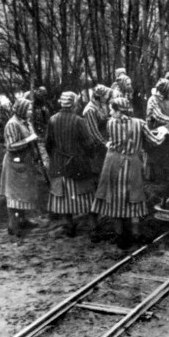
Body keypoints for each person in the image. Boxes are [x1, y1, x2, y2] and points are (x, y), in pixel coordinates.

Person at [91, 97, 167, 249]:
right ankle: (136, 234)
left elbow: (119, 137)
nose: (110, 113)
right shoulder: (139, 123)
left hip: (114, 164)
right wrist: (162, 132)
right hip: (132, 165)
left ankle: (119, 235)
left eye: (113, 110)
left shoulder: (111, 123)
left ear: (119, 111)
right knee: (134, 199)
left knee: (116, 199)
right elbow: (155, 141)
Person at [45, 92, 98, 237]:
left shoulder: (52, 120)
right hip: (78, 165)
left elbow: (48, 144)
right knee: (87, 196)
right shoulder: (78, 120)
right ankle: (93, 229)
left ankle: (69, 227)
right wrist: (91, 155)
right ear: (74, 104)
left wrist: (55, 158)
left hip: (59, 165)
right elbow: (88, 143)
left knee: (62, 197)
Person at [0, 98, 41, 237]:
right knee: (14, 196)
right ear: (22, 110)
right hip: (14, 164)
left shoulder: (26, 122)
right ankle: (13, 226)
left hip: (24, 162)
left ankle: (23, 221)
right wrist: (29, 139)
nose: (31, 112)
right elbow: (10, 146)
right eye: (28, 109)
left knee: (23, 195)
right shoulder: (12, 124)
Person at [82, 84, 112, 174]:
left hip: (103, 140)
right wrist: (104, 143)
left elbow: (104, 118)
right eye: (106, 96)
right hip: (96, 144)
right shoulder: (90, 110)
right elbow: (93, 131)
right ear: (100, 97)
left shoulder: (100, 106)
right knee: (99, 169)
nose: (108, 98)